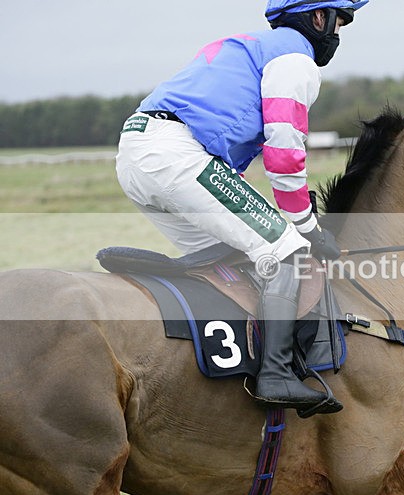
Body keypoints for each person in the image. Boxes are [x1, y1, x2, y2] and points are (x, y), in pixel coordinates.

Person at [115, 0, 370, 416]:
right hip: (174, 155)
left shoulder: (247, 46)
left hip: (139, 152)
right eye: (339, 23)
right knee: (285, 250)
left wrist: (289, 211)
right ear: (318, 18)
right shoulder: (295, 59)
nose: (338, 35)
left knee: (229, 260)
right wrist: (305, 225)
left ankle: (222, 373)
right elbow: (285, 153)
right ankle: (275, 376)